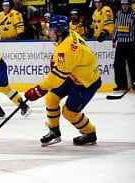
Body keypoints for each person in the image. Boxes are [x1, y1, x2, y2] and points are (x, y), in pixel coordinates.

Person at [24, 15, 101, 146]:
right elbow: (62, 57)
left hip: (86, 83)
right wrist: (57, 60)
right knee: (51, 98)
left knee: (69, 113)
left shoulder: (68, 48)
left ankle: (90, 133)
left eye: (51, 30)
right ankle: (54, 131)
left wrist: (38, 89)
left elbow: (56, 77)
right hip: (73, 76)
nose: (48, 33)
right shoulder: (67, 35)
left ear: (59, 31)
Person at [112, 0, 135, 93]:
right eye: (123, 5)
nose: (124, 7)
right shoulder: (118, 14)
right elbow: (116, 27)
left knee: (133, 65)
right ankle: (121, 86)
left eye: (126, 5)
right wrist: (114, 39)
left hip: (131, 43)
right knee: (118, 65)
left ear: (129, 5)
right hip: (120, 43)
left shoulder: (134, 15)